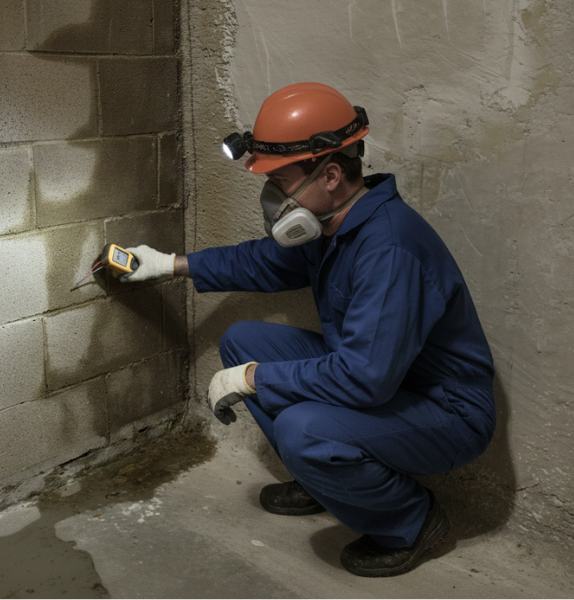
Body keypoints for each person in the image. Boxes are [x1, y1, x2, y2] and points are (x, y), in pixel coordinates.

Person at [121, 82, 496, 577]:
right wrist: (171, 264)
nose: (272, 196)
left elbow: (364, 379)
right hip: (387, 382)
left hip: (444, 410)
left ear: (332, 174)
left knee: (302, 428)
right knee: (243, 343)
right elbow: (263, 263)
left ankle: (411, 520)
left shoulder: (389, 249)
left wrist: (254, 380)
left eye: (280, 180)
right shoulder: (332, 225)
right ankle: (325, 480)